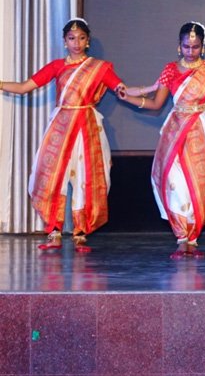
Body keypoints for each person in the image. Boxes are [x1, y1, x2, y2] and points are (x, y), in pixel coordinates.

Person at [121, 22, 205, 259]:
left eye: (195, 47)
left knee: (200, 183)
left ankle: (192, 239)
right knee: (174, 183)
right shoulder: (170, 70)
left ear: (203, 47)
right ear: (179, 46)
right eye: (186, 46)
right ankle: (181, 237)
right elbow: (155, 103)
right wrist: (129, 98)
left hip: (204, 133)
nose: (190, 51)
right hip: (175, 131)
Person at [0, 18, 134, 252]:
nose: (76, 43)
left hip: (87, 127)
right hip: (61, 127)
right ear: (64, 41)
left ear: (88, 41)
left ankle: (80, 233)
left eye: (81, 38)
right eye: (72, 38)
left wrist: (137, 92)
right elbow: (23, 87)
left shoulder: (99, 68)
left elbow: (119, 88)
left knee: (85, 177)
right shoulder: (56, 66)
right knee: (53, 176)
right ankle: (54, 232)